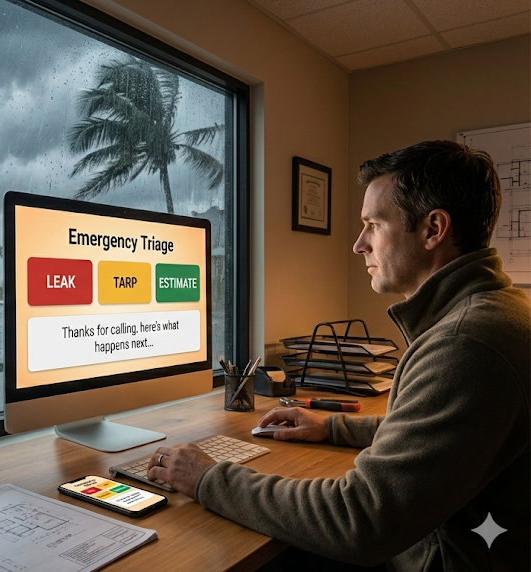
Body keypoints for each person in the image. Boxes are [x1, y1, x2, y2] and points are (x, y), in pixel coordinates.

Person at [147, 140, 529, 571]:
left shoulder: (467, 343)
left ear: (433, 229)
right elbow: (434, 432)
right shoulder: (493, 312)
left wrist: (206, 478)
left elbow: (359, 520)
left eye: (373, 224)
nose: (359, 245)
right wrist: (334, 426)